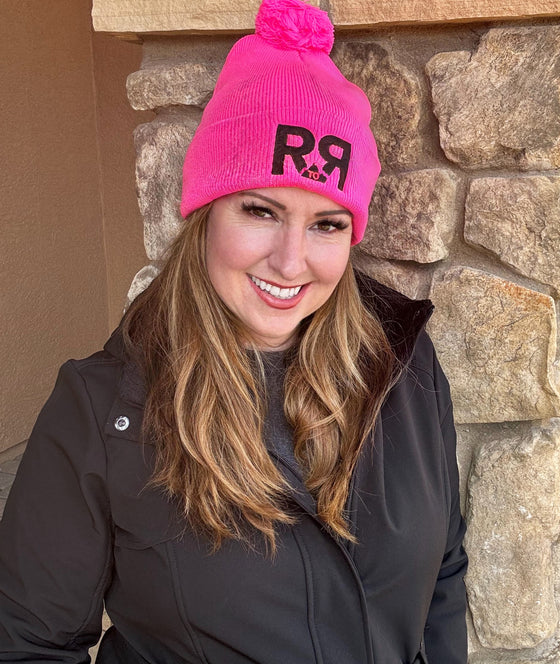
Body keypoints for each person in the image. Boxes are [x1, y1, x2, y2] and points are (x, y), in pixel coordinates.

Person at [0, 0, 468, 662]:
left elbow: (443, 572)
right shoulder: (101, 411)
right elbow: (28, 645)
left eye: (327, 224)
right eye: (260, 210)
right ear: (205, 213)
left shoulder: (405, 366)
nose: (290, 260)